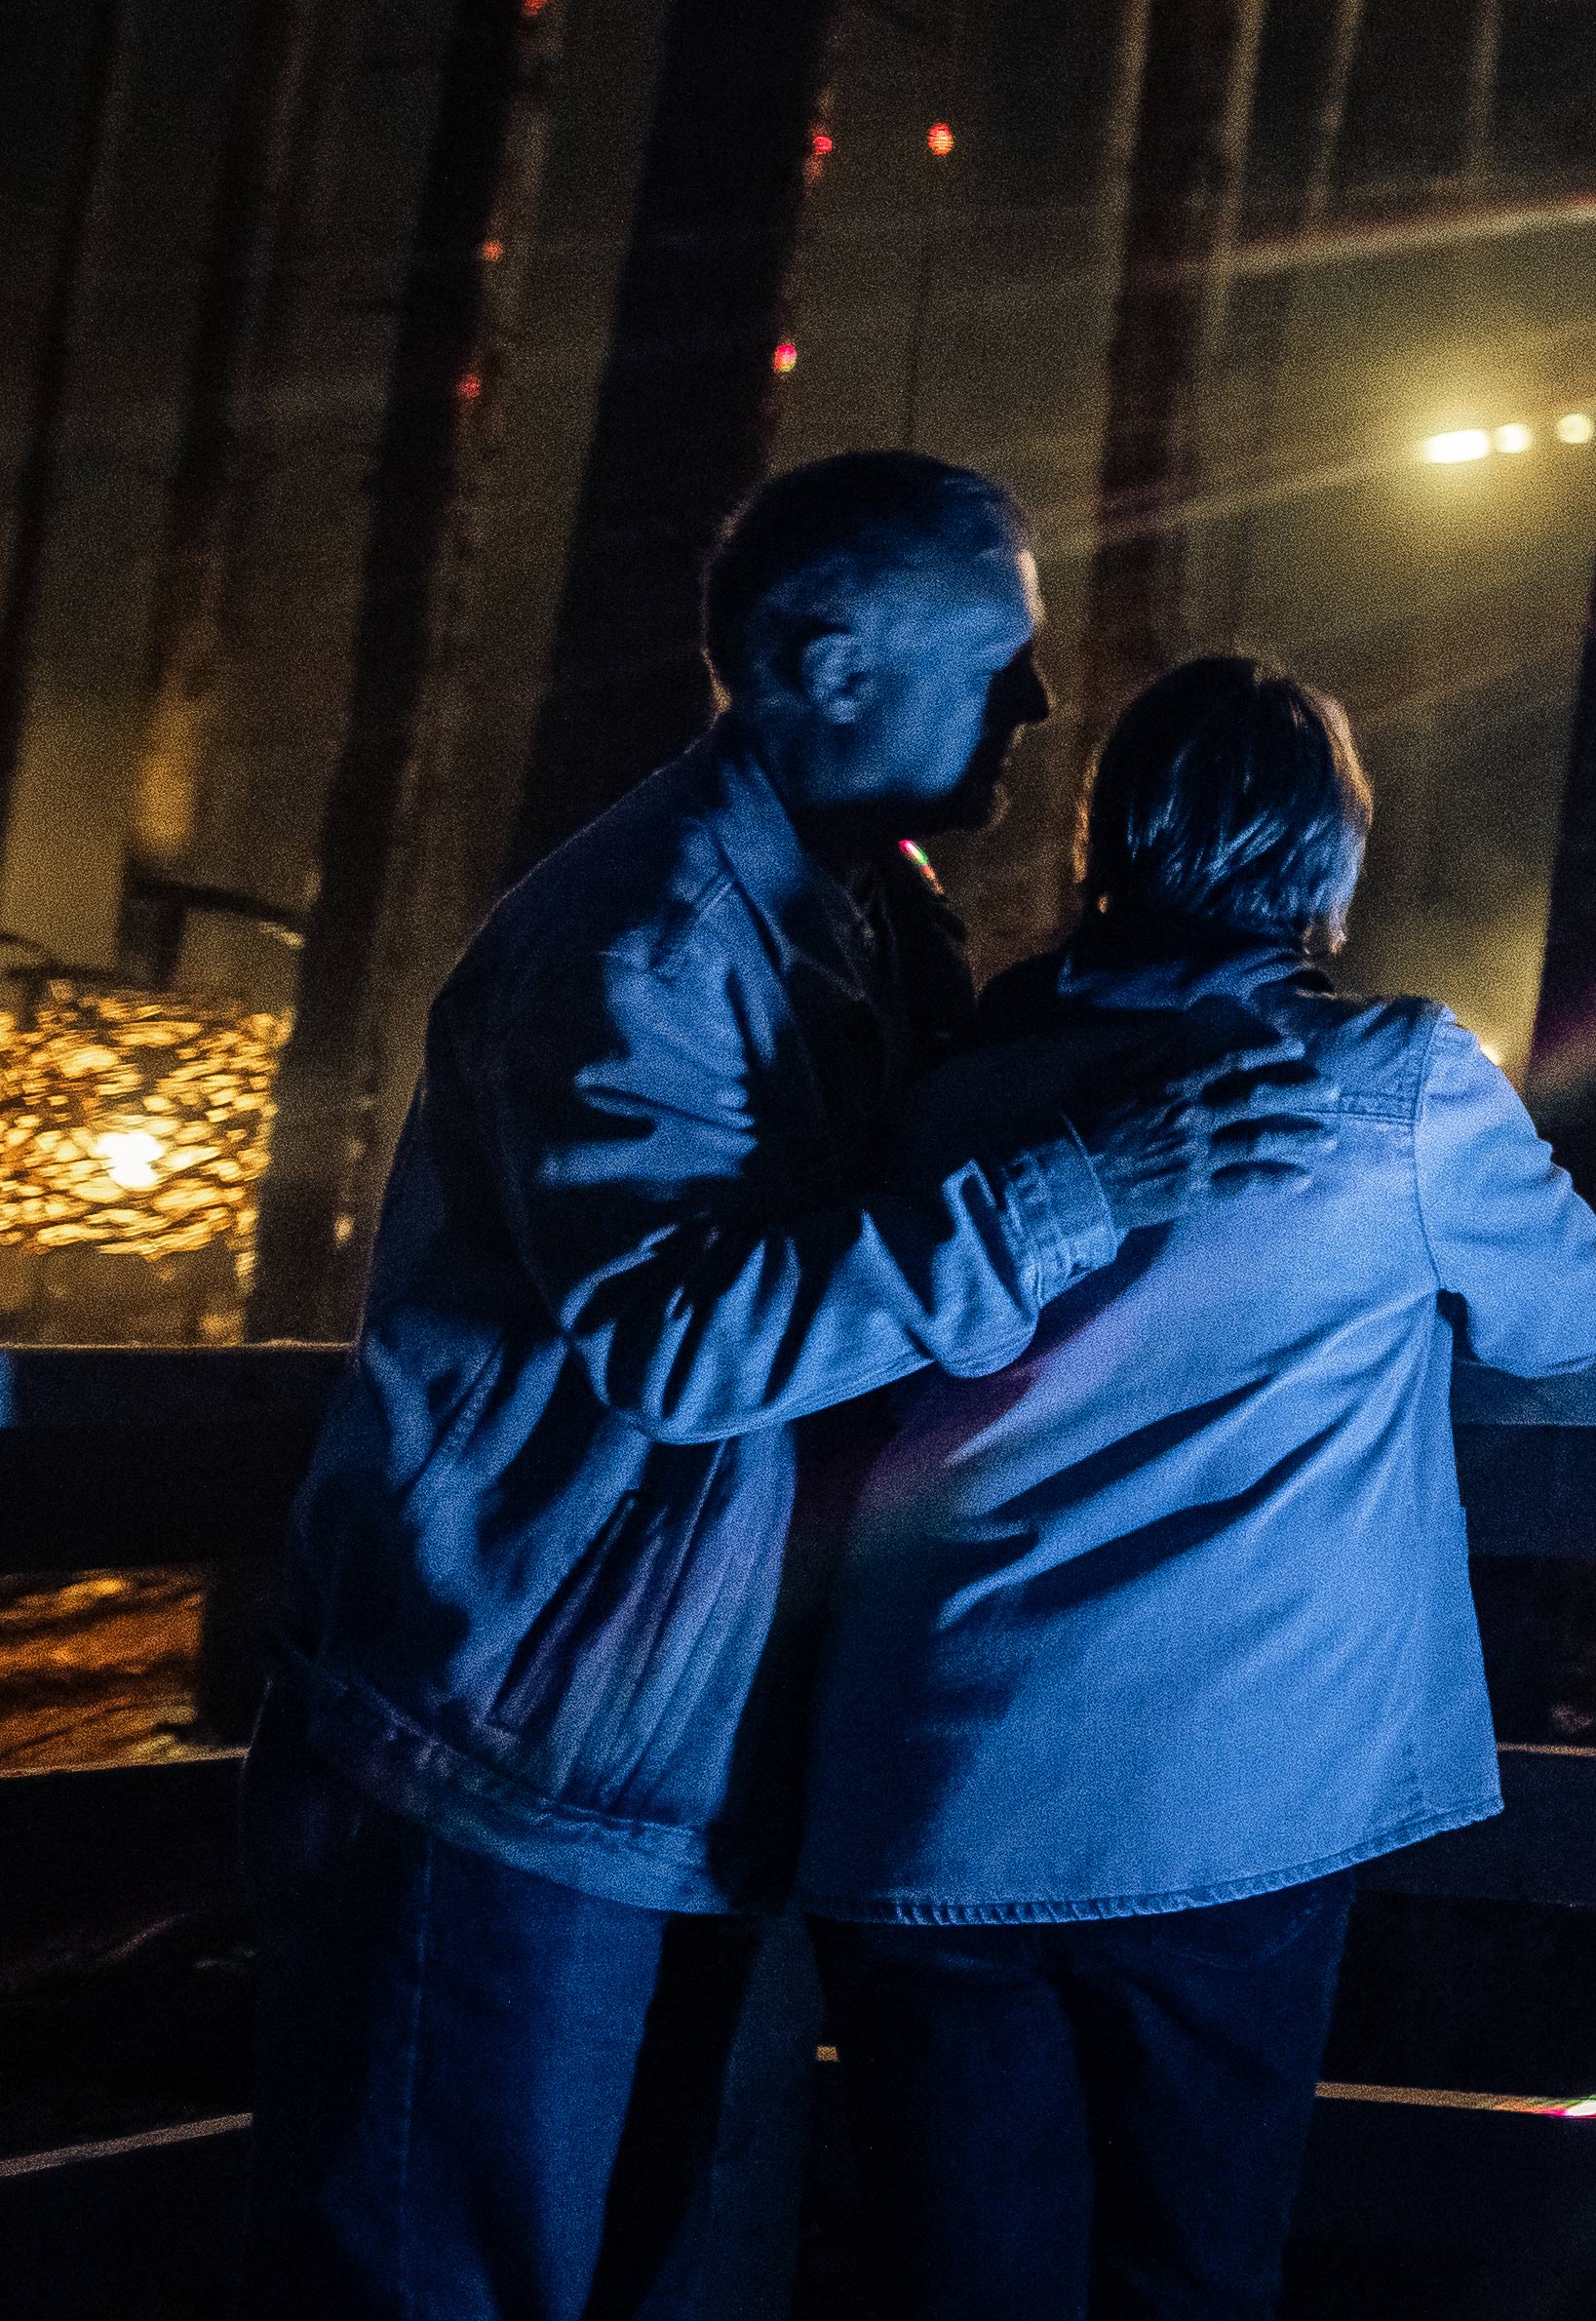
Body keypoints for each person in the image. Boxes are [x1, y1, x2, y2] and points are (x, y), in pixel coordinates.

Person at [252, 454, 1333, 2320]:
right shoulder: (651, 936)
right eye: (996, 654)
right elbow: (684, 1338)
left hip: (647, 1762)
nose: (1038, 702)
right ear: (829, 660)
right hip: (502, 1757)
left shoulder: (863, 923)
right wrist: (1091, 1185)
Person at [798, 651, 1596, 2321]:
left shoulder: (954, 1089)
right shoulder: (1387, 1084)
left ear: (1113, 841)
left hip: (935, 1781)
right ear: (1325, 855)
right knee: (1192, 2273)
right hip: (1223, 1799)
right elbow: (1572, 1313)